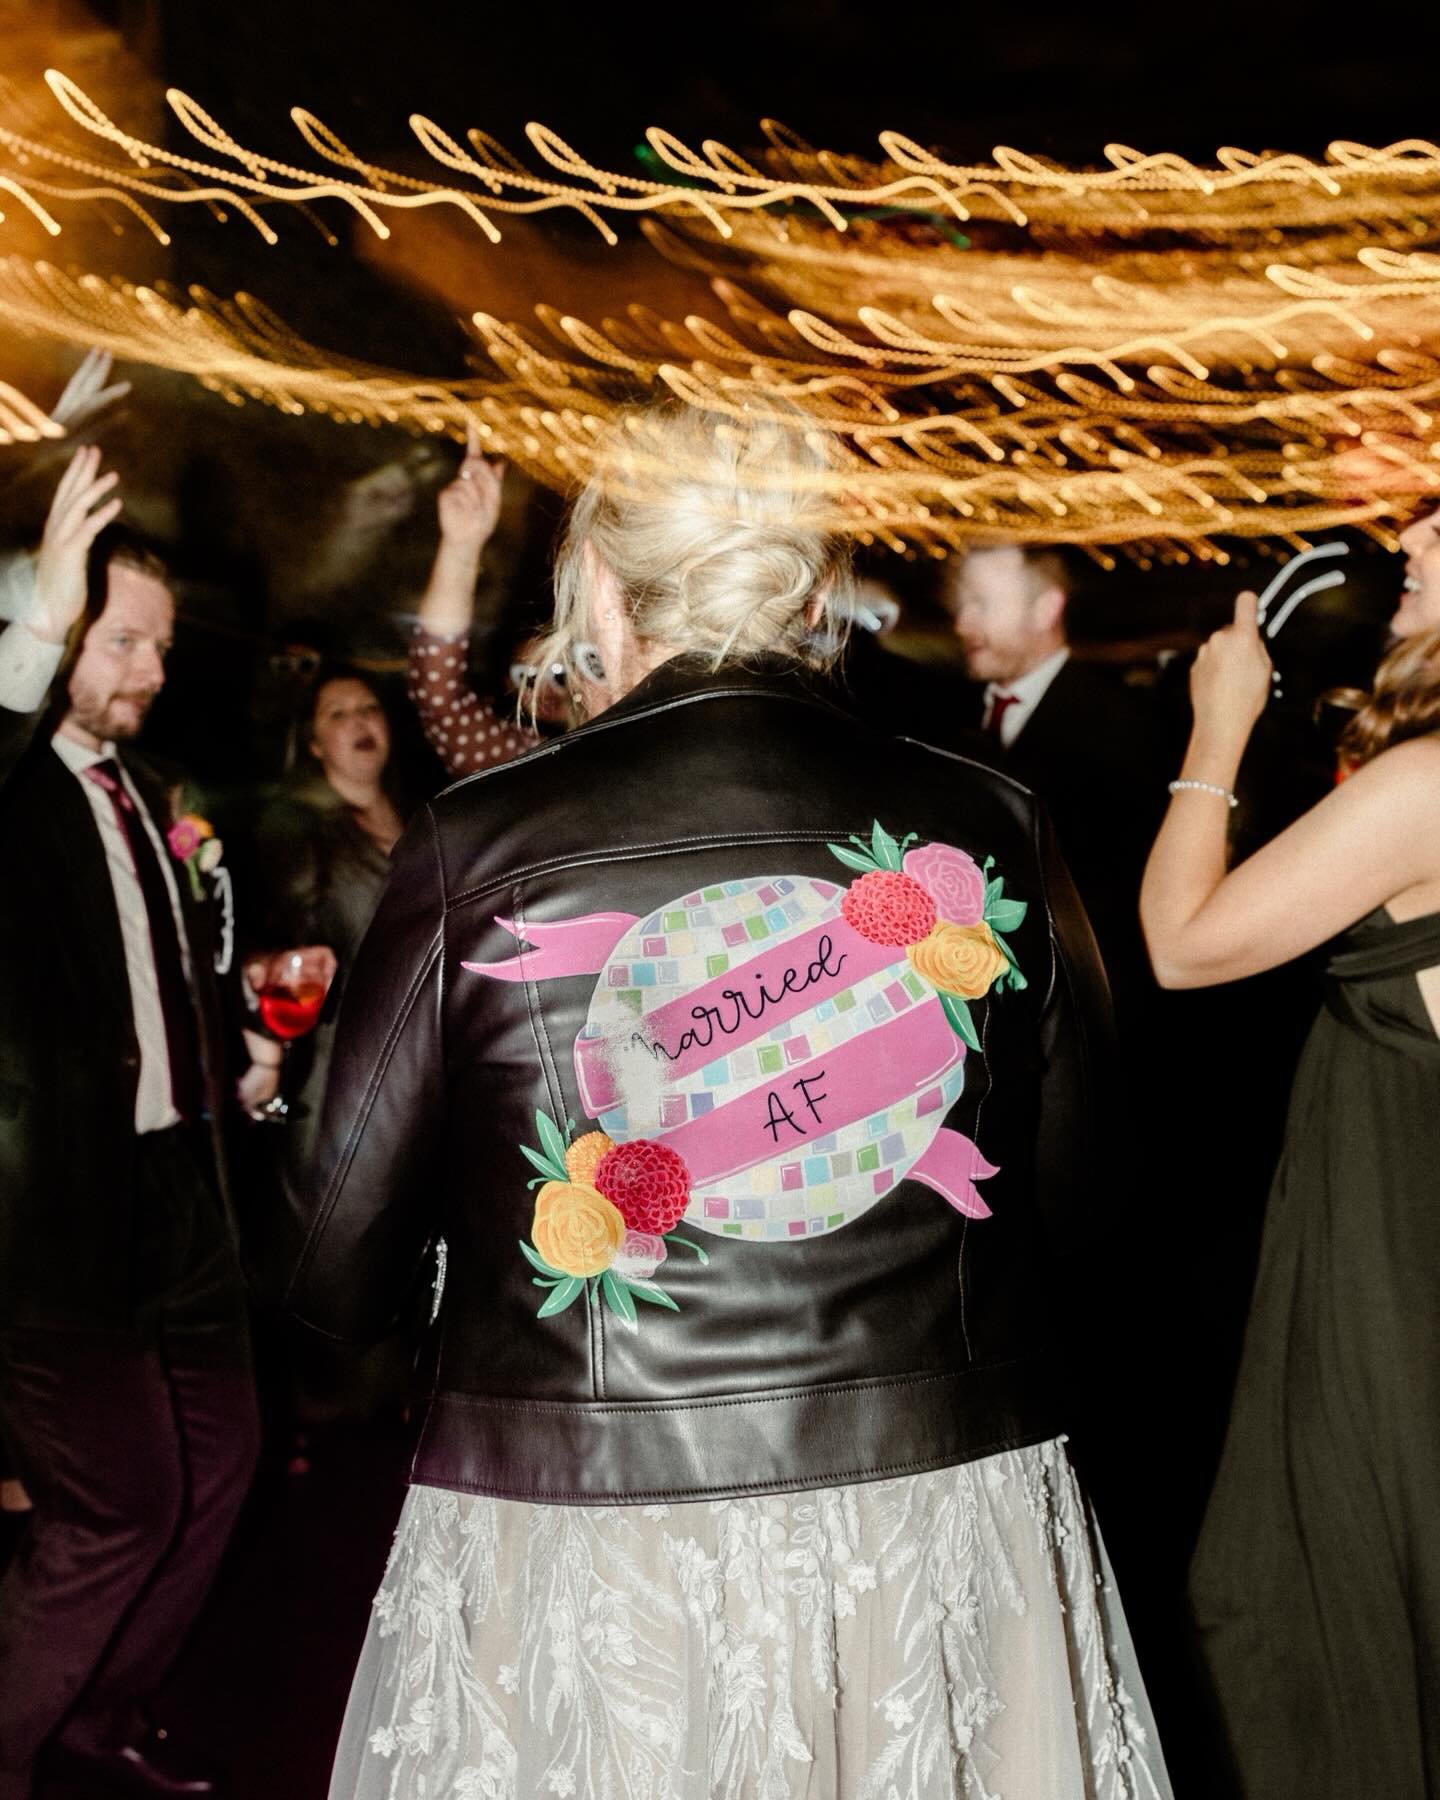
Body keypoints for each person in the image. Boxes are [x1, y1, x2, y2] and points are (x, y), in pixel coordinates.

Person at [284, 405, 1172, 1799]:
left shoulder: (479, 841)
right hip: (936, 1504)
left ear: (593, 589)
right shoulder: (989, 820)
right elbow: (1090, 1198)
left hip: (587, 1513)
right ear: (814, 597)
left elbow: (334, 1263)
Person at [1139, 512, 1440, 1800]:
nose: (1414, 531)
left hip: (1395, 1265)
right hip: (1396, 1222)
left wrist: (1219, 726)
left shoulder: (1431, 785)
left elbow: (1184, 944)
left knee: (1314, 1601)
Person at [0, 447, 280, 1800]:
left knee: (221, 1464)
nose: (152, 670)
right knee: (117, 1507)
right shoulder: (14, 791)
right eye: (122, 641)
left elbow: (163, 980)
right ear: (52, 628)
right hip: (55, 1215)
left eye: (160, 645)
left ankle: (104, 1715)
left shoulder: (151, 794)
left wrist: (236, 1057)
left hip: (186, 1184)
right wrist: (38, 624)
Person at [943, 544, 1164, 999]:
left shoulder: (1121, 725)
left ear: (1046, 610)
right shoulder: (942, 712)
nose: (962, 624)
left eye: (982, 604)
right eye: (962, 604)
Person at [406, 427, 544, 777]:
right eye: (528, 677)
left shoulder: (648, 742)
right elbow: (442, 702)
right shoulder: (532, 761)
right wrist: (461, 547)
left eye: (558, 671)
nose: (547, 690)